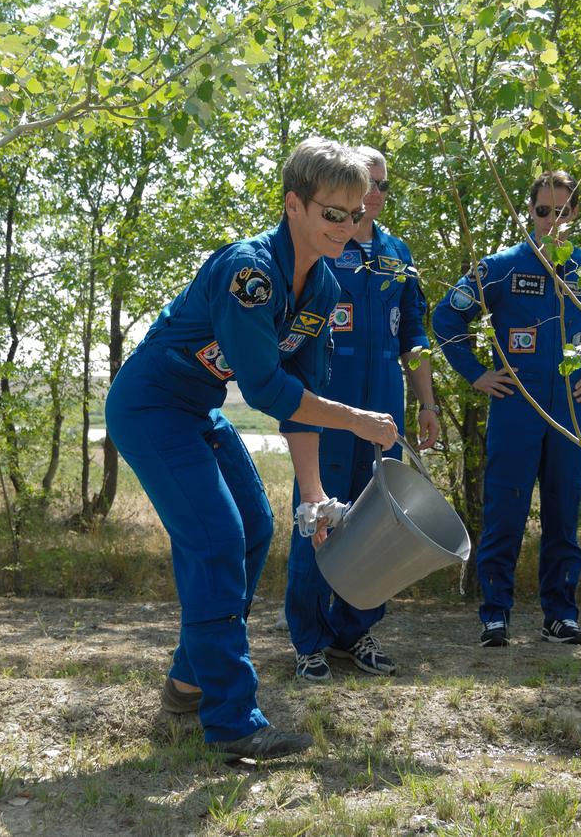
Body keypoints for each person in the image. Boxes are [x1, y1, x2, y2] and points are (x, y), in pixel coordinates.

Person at [104, 137, 399, 761]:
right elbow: (268, 389)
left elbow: (305, 388)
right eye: (333, 214)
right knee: (215, 540)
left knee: (257, 527)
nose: (348, 227)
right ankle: (233, 719)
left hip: (198, 409)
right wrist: (357, 422)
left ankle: (188, 685)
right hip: (151, 406)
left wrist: (316, 498)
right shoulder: (250, 273)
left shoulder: (321, 286)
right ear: (295, 205)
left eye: (356, 213)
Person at [431, 169, 581, 648]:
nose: (551, 220)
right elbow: (446, 316)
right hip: (515, 408)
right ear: (529, 211)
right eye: (542, 211)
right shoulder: (502, 267)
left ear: (575, 214)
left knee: (563, 517)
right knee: (504, 513)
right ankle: (495, 615)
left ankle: (559, 615)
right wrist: (475, 372)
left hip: (570, 411)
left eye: (561, 212)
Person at [283, 146, 440, 683]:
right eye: (365, 182)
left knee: (380, 524)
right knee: (320, 516)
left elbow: (413, 335)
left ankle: (358, 630)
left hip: (384, 411)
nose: (372, 194)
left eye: (382, 185)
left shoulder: (398, 253)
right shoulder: (322, 245)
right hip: (327, 405)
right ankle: (309, 640)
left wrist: (428, 402)